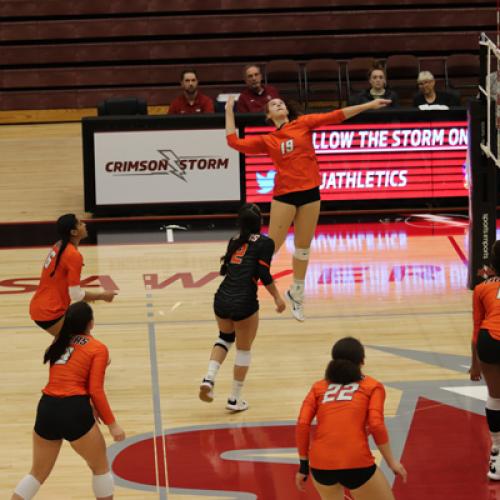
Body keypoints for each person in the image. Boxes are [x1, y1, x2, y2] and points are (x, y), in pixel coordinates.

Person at [225, 95, 390, 321]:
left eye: (281, 102)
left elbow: (336, 116)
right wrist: (228, 111)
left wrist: (369, 105)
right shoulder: (268, 140)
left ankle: (297, 294)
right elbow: (234, 142)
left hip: (311, 193)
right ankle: (241, 281)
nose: (279, 104)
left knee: (303, 248)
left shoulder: (302, 123)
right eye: (273, 105)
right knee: (271, 246)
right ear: (268, 116)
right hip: (285, 196)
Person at [11, 302, 125, 500]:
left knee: (36, 474)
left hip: (47, 408)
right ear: (91, 323)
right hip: (74, 410)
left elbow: (69, 376)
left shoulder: (58, 342)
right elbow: (96, 391)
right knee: (100, 469)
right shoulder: (98, 348)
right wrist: (113, 425)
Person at [295, 337, 407, 499]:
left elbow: (302, 424)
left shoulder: (318, 387)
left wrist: (303, 467)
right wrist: (391, 462)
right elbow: (376, 424)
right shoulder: (372, 386)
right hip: (356, 462)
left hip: (321, 465)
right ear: (362, 361)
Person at [199, 203, 285, 411]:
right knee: (243, 350)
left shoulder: (234, 241)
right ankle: (234, 399)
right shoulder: (266, 243)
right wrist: (277, 298)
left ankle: (209, 379)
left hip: (222, 298)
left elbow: (226, 270)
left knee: (225, 338)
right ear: (260, 223)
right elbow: (263, 274)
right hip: (244, 300)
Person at [29, 214, 116, 337]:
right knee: (79, 344)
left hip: (41, 306)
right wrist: (102, 296)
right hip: (50, 312)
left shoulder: (59, 244)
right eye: (80, 223)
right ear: (74, 232)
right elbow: (76, 294)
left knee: (64, 345)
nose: (85, 224)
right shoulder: (73, 255)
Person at [470, 240, 500, 481]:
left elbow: (476, 326)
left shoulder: (482, 288)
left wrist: (474, 363)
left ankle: (497, 454)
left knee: (495, 396)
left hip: (489, 340)